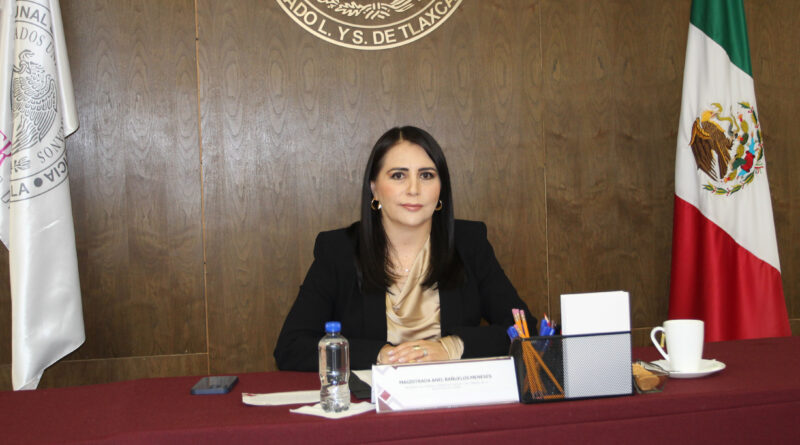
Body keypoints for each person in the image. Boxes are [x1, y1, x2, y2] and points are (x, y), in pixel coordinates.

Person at [273, 126, 534, 371]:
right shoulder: (339, 250)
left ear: (441, 189)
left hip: (454, 395)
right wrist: (380, 355)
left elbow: (526, 330)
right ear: (374, 188)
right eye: (398, 175)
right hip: (371, 400)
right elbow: (291, 347)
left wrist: (452, 347)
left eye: (426, 175)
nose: (413, 189)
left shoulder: (469, 243)